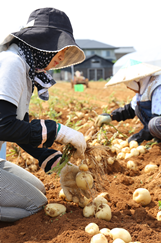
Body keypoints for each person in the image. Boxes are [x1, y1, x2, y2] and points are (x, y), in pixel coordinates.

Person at [0, 7, 89, 222]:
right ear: (41, 44)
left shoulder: (24, 67)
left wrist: (58, 164)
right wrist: (56, 130)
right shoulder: (12, 64)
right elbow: (3, 126)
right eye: (58, 48)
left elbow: (19, 125)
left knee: (38, 188)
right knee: (35, 205)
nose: (61, 56)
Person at [95, 61, 161, 144]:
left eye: (129, 84)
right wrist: (111, 116)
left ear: (136, 81)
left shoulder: (158, 88)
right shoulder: (143, 89)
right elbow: (130, 109)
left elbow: (157, 117)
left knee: (154, 124)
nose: (128, 87)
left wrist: (140, 137)